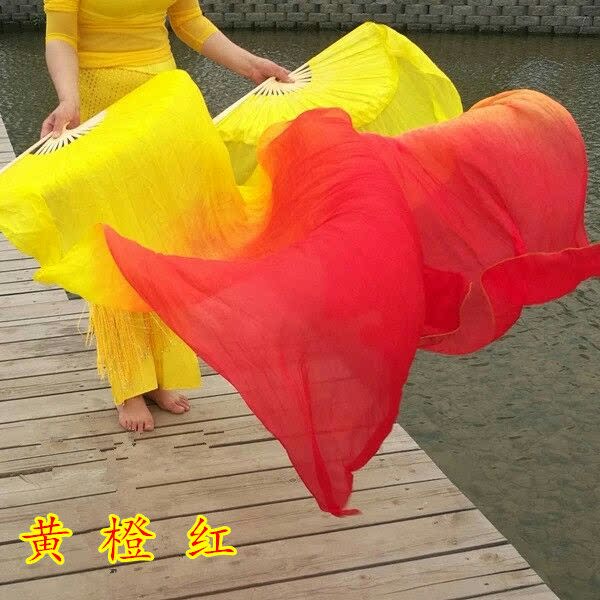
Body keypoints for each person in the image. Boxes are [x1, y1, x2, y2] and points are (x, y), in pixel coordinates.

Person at [41, 0, 291, 433]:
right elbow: (61, 35)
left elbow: (188, 21)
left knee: (163, 236)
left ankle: (161, 375)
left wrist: (251, 65)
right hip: (100, 102)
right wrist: (69, 99)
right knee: (116, 240)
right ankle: (129, 384)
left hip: (162, 99)